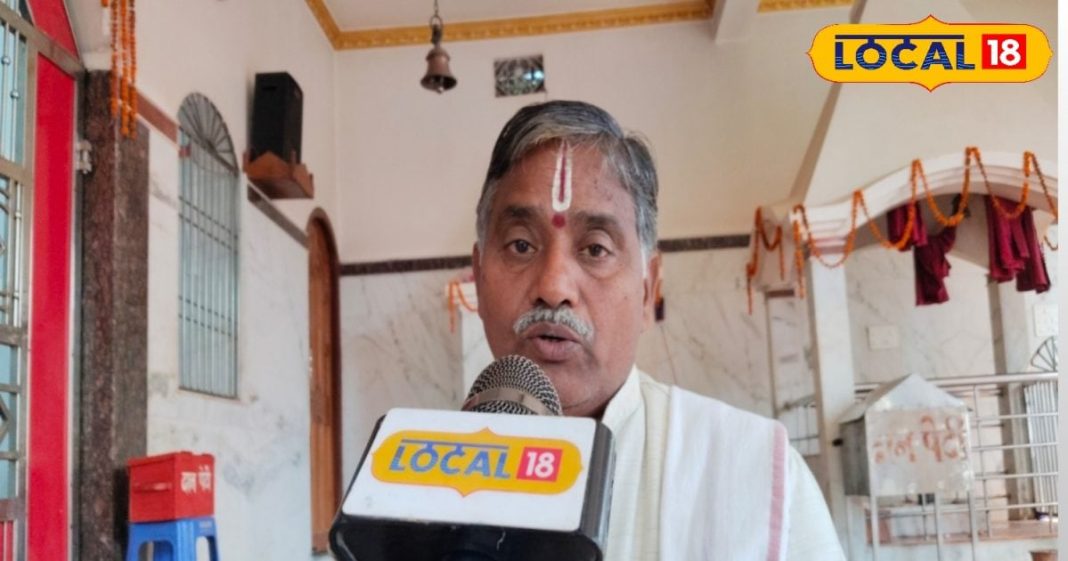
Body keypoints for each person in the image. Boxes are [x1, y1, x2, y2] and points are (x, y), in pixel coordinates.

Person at [471, 100, 845, 560]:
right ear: (479, 278)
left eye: (595, 249)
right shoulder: (417, 477)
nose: (554, 287)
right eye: (520, 245)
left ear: (648, 290)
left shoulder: (755, 472)